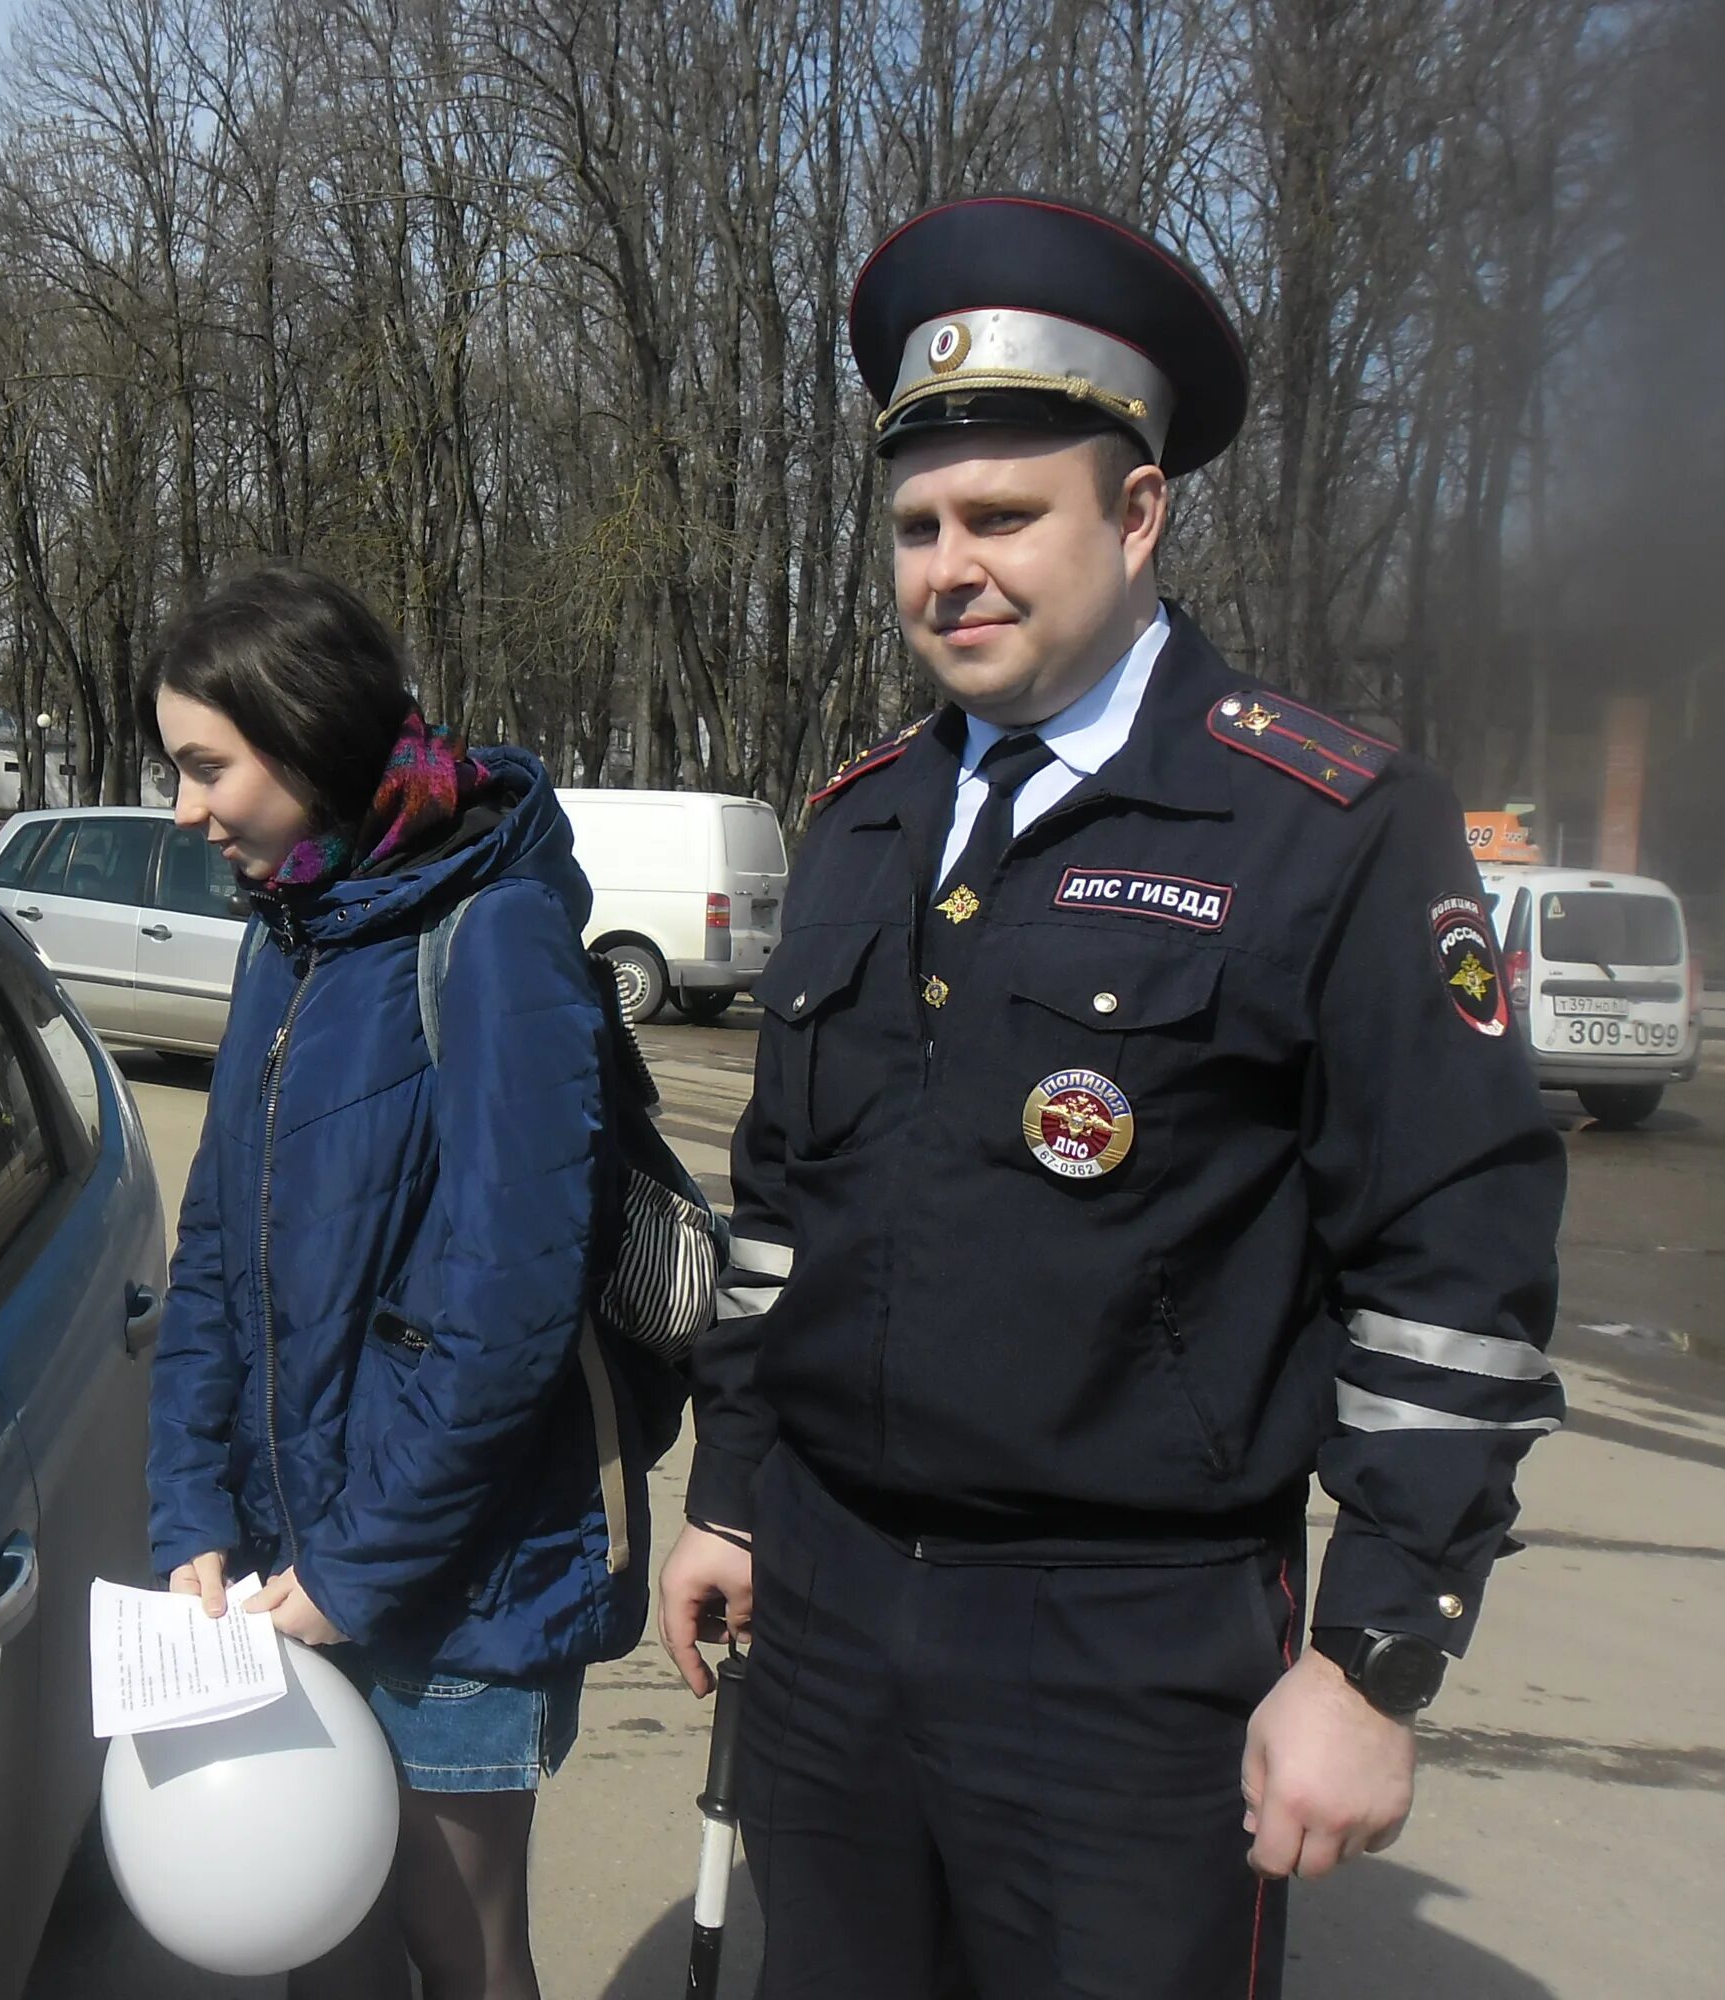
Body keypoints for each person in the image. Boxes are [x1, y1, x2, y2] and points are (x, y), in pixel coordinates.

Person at [655, 195, 1570, 1998]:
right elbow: (781, 1217)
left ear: (1138, 513)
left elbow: (1453, 1267)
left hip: (1129, 1645)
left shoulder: (1329, 825)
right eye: (917, 527)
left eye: (1004, 517)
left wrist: (1377, 1658)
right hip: (831, 1610)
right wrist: (734, 1491)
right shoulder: (861, 828)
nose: (949, 569)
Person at [144, 566, 652, 2000]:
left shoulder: (493, 935)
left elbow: (508, 1312)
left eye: (206, 767)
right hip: (287, 1570)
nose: (186, 811)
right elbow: (215, 1272)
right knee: (322, 1945)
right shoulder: (287, 936)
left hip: (459, 1589)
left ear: (304, 739)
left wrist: (356, 1573)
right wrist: (193, 1506)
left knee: (459, 1947)